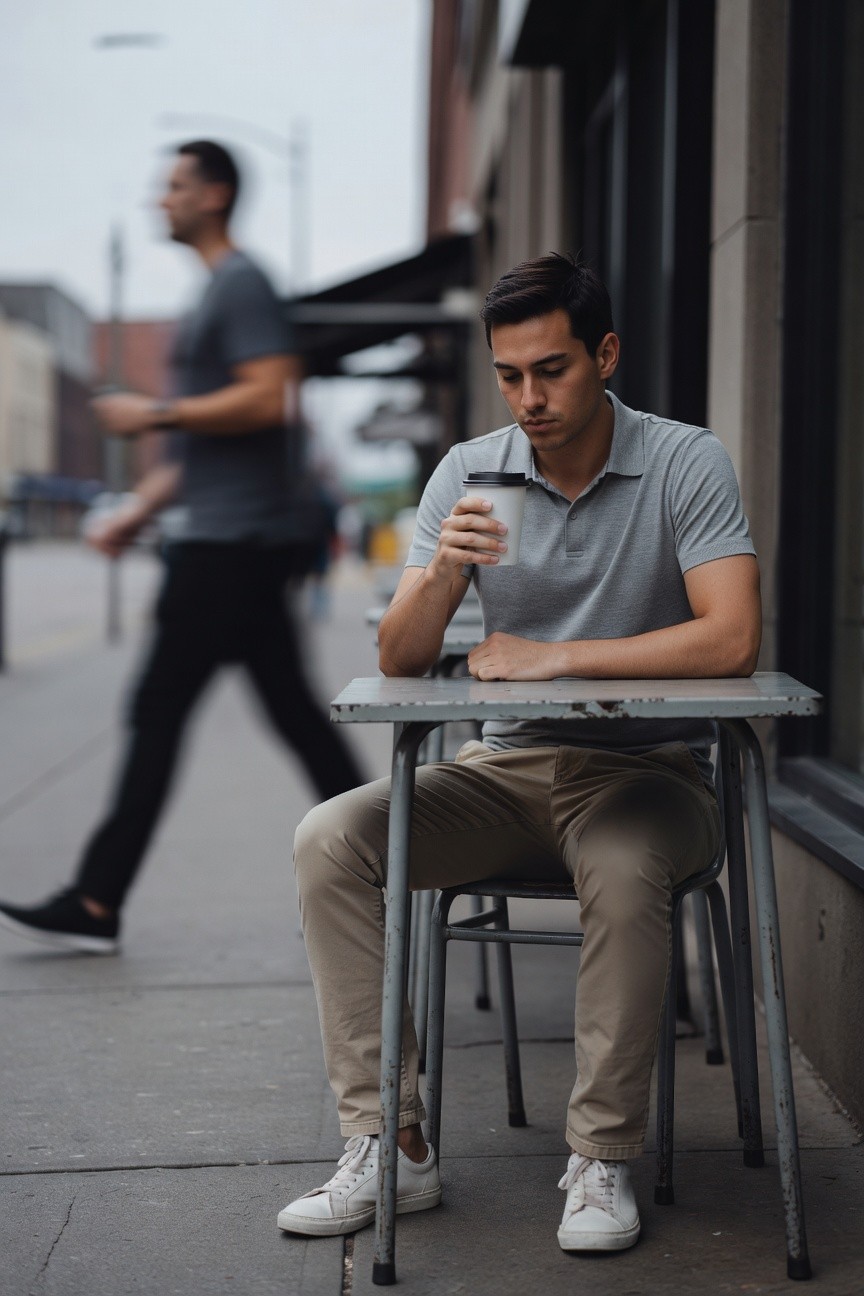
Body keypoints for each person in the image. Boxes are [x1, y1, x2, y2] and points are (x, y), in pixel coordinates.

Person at [276, 254, 761, 1252]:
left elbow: (731, 638)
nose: (529, 399)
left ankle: (602, 1159)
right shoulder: (468, 470)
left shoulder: (685, 461)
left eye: (552, 370)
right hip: (507, 770)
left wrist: (559, 655)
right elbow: (402, 658)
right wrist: (444, 572)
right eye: (510, 376)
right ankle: (391, 1147)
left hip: (653, 774)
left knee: (625, 873)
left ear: (607, 354)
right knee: (332, 839)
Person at [0, 140, 363, 955]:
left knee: (161, 711)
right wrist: (143, 506)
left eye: (174, 186)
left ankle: (97, 898)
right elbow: (211, 448)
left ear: (216, 194)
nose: (159, 200)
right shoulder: (219, 290)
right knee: (295, 717)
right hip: (226, 539)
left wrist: (155, 414)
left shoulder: (241, 283)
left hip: (228, 551)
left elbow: (270, 397)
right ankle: (399, 851)